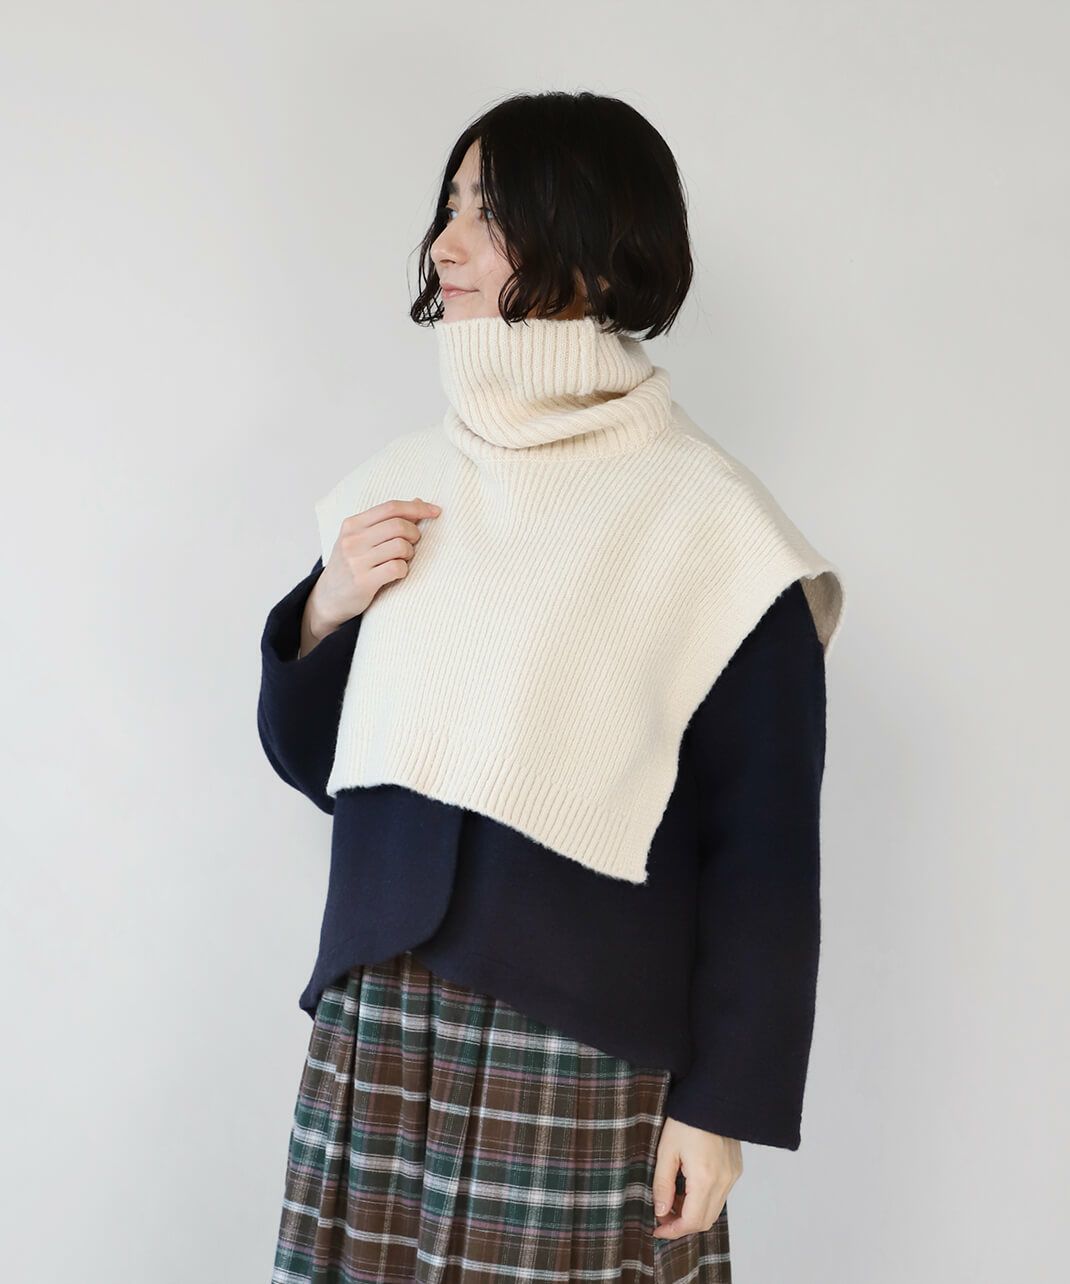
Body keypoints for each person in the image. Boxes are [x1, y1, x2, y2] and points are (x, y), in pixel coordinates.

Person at [260, 90, 845, 1284]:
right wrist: (324, 611)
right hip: (379, 1023)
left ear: (587, 240)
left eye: (488, 212)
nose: (444, 244)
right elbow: (322, 768)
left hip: (578, 1040)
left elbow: (765, 854)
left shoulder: (712, 528)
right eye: (449, 206)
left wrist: (719, 1104)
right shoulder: (403, 483)